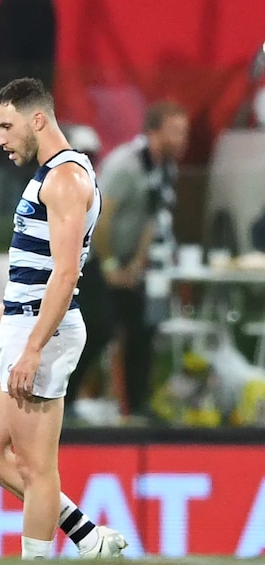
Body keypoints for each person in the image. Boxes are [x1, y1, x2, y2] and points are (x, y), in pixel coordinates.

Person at [0, 77, 127, 560]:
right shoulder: (48, 175)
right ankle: (90, 539)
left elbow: (65, 273)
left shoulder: (67, 179)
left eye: (6, 126)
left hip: (45, 331)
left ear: (38, 119)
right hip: (21, 322)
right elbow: (26, 275)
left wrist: (32, 348)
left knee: (37, 468)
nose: (0, 139)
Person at [92, 101, 190, 419]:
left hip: (127, 264)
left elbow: (152, 218)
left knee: (142, 330)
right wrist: (109, 267)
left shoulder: (164, 169)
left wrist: (135, 265)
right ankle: (63, 402)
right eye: (175, 131)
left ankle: (136, 408)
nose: (182, 139)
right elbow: (102, 216)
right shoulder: (126, 164)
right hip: (95, 260)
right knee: (98, 328)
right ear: (154, 131)